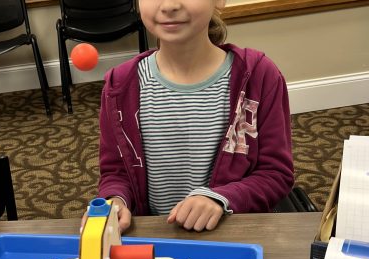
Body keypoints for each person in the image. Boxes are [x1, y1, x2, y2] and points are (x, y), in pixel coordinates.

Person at [83, 0, 294, 233]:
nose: (169, 5)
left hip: (230, 236)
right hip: (154, 242)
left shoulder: (259, 76)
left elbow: (275, 174)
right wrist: (115, 201)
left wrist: (220, 199)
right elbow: (116, 172)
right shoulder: (120, 85)